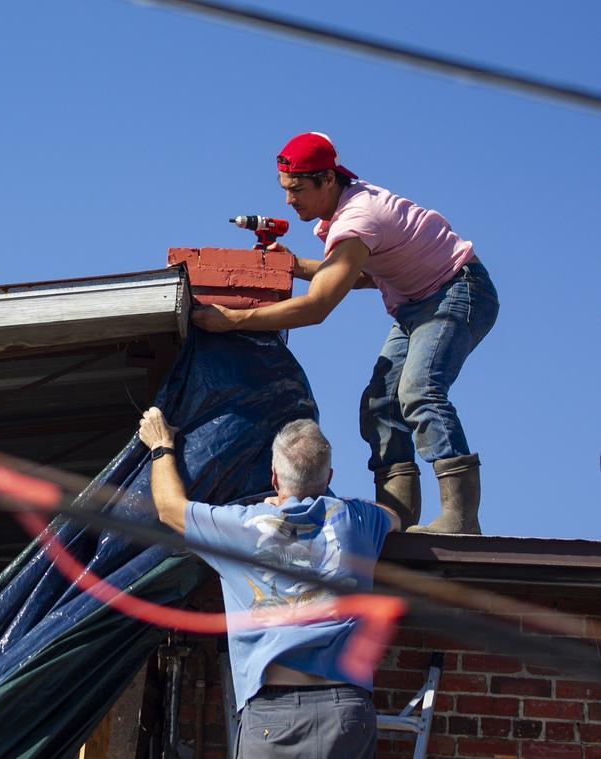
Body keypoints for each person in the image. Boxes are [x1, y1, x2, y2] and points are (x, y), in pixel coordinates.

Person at [191, 132, 498, 534]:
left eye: (297, 190)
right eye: (285, 190)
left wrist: (230, 321)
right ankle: (397, 520)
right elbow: (360, 276)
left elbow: (318, 307)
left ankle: (460, 517)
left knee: (420, 391)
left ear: (328, 181)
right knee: (380, 406)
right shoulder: (347, 215)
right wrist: (296, 266)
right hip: (416, 304)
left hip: (457, 292)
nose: (289, 200)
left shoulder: (357, 220)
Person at [138, 409, 398, 759]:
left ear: (274, 477)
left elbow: (170, 509)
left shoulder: (242, 528)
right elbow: (394, 516)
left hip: (274, 718)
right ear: (329, 477)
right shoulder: (356, 519)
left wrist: (160, 445)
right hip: (347, 714)